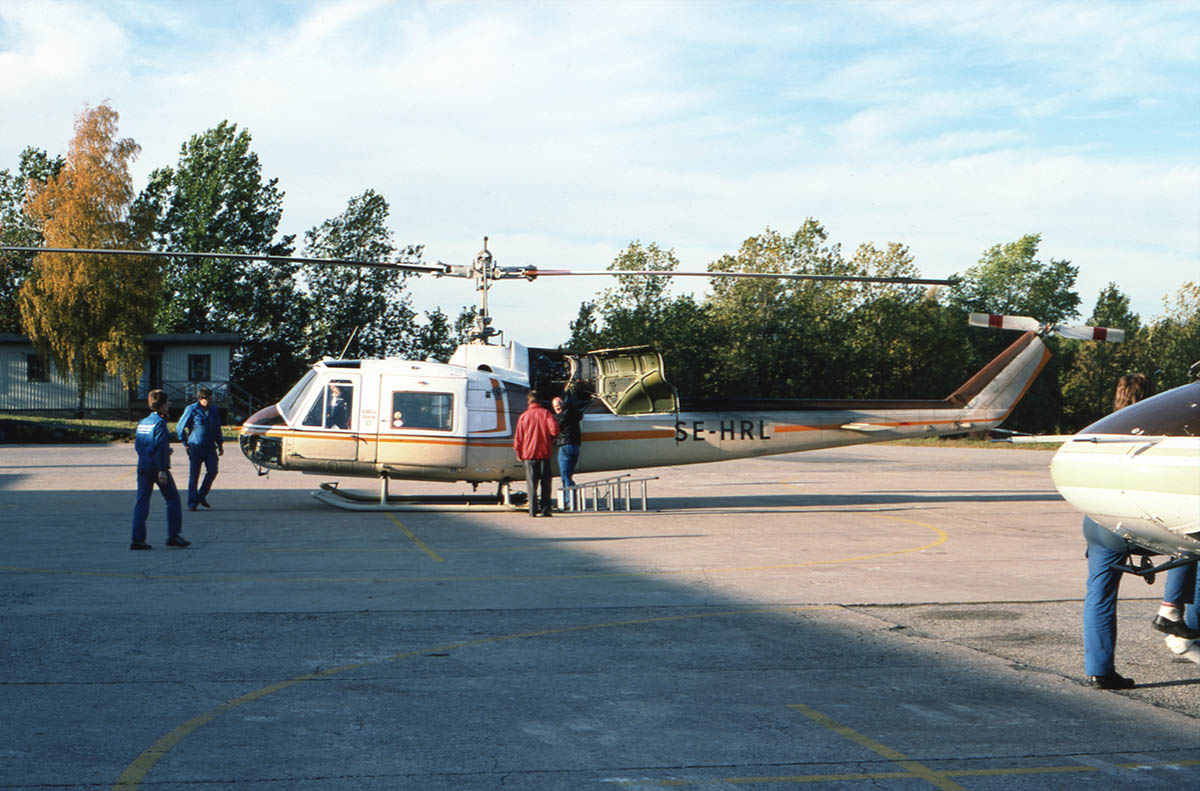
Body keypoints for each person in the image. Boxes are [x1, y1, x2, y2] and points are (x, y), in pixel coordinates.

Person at [131, 389, 189, 550]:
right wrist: (162, 469)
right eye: (167, 402)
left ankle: (137, 539)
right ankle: (173, 535)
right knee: (173, 499)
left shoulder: (142, 422)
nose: (169, 405)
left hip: (143, 465)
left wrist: (147, 455)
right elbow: (162, 447)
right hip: (157, 467)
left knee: (142, 502)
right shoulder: (160, 423)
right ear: (163, 406)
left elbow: (139, 445)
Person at [176, 387, 224, 511]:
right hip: (196, 446)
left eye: (210, 398)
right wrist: (185, 443)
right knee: (194, 475)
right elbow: (180, 427)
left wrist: (220, 444)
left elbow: (217, 428)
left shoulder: (214, 409)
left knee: (213, 471)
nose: (209, 401)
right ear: (200, 399)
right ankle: (192, 503)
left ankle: (201, 495)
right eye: (206, 399)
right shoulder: (192, 409)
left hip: (210, 447)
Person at [513, 390, 558, 517]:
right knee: (545, 483)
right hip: (544, 453)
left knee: (532, 484)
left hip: (529, 455)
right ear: (540, 401)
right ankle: (546, 510)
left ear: (529, 401)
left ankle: (532, 511)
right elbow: (554, 430)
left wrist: (519, 452)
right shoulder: (546, 413)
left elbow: (518, 437)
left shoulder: (524, 416)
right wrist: (551, 440)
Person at [552, 390, 585, 511]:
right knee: (568, 475)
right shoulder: (575, 414)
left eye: (557, 406)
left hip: (565, 446)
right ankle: (571, 497)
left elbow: (555, 426)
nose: (557, 409)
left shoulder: (561, 416)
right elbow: (579, 414)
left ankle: (569, 501)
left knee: (565, 476)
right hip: (575, 447)